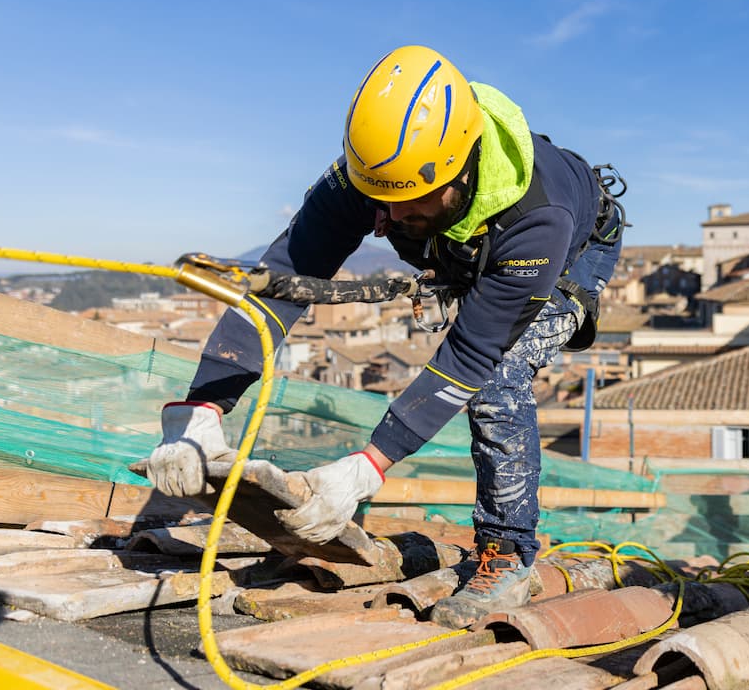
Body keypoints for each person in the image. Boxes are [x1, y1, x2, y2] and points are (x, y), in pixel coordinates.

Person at [147, 45, 625, 627]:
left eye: (407, 204)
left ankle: (507, 555)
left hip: (578, 249)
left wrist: (369, 465)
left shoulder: (537, 221)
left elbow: (472, 353)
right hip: (469, 235)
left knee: (499, 380)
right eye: (377, 201)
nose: (385, 221)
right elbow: (283, 283)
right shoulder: (373, 175)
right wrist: (202, 407)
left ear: (461, 170)